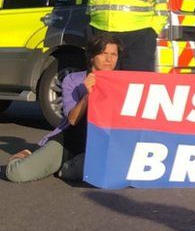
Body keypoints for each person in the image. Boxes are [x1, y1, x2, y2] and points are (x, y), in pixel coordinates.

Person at [4, 34, 121, 183]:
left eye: (113, 54)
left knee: (105, 169)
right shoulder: (73, 80)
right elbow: (72, 119)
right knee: (18, 174)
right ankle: (28, 153)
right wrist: (87, 96)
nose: (109, 60)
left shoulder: (123, 82)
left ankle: (66, 168)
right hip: (70, 140)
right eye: (103, 54)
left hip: (101, 142)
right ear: (92, 56)